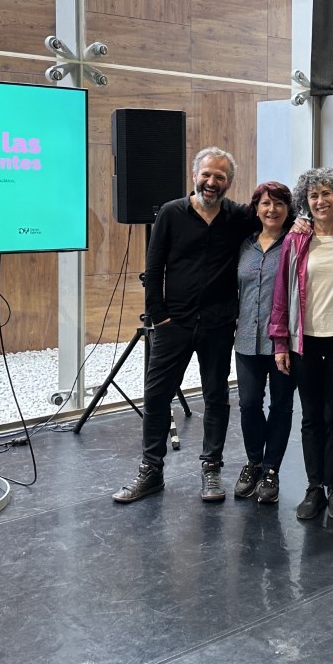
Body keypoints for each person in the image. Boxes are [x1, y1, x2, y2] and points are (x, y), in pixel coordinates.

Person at [113, 146, 258, 505]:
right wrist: (157, 316)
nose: (212, 182)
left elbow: (275, 215)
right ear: (195, 175)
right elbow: (155, 263)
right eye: (207, 175)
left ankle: (211, 468)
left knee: (216, 396)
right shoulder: (171, 213)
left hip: (218, 324)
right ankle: (151, 470)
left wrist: (298, 220)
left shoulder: (238, 216)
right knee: (158, 395)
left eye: (220, 177)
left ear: (229, 182)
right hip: (172, 323)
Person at [270, 168, 333, 522]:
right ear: (306, 202)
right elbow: (280, 293)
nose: (321, 201)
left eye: (326, 194)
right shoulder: (296, 240)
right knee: (310, 416)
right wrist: (279, 342)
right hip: (303, 341)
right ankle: (314, 486)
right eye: (313, 196)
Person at [233, 181, 297, 504]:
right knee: (248, 404)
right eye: (265, 204)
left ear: (288, 209)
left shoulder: (296, 245)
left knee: (281, 406)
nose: (271, 210)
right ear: (256, 209)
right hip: (246, 340)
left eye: (279, 204)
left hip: (283, 344)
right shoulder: (244, 246)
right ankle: (254, 462)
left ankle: (272, 470)